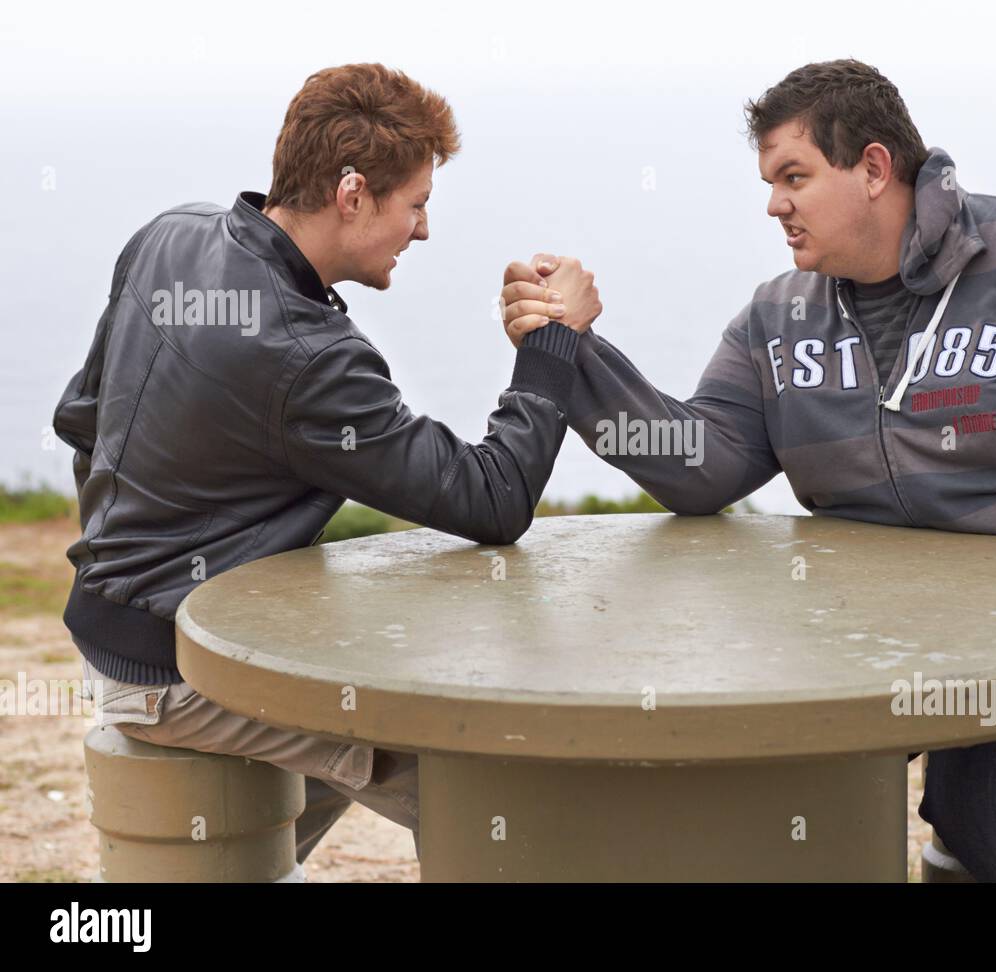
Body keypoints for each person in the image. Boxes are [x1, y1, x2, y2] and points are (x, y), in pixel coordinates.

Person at [500, 58, 996, 881]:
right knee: (770, 774)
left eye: (794, 176)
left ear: (872, 168)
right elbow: (699, 467)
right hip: (900, 644)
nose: (773, 204)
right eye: (767, 181)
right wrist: (570, 351)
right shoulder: (777, 318)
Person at [53, 63, 598, 866]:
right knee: (494, 783)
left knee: (365, 666)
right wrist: (555, 344)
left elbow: (80, 422)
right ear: (352, 194)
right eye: (415, 205)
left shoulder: (171, 236)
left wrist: (133, 560)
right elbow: (493, 498)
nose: (422, 231)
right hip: (181, 673)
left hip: (113, 629)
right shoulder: (309, 357)